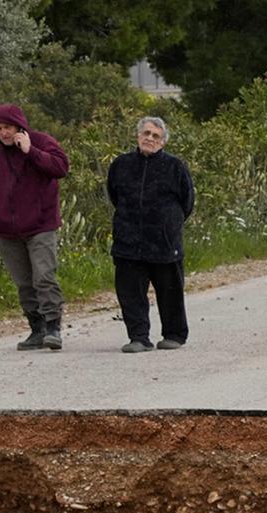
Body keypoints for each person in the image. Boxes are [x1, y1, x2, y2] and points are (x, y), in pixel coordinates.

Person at [0, 104, 71, 351]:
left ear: (19, 126)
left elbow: (61, 168)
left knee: (44, 276)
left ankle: (53, 326)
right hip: (7, 230)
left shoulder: (42, 142)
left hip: (40, 225)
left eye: (7, 127)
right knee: (23, 282)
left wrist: (31, 152)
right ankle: (37, 329)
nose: (4, 133)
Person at [106, 116, 195, 353]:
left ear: (163, 141)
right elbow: (114, 195)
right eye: (146, 133)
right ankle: (138, 337)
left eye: (156, 136)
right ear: (138, 136)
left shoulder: (176, 167)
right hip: (128, 242)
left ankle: (174, 334)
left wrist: (169, 225)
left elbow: (188, 201)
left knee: (170, 291)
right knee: (130, 292)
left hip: (164, 243)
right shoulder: (120, 165)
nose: (150, 139)